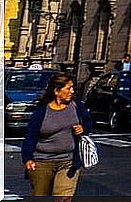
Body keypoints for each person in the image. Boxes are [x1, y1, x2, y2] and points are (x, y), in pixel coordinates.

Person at [21, 71, 94, 201]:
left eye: (73, 88)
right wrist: (27, 158)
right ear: (57, 91)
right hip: (42, 162)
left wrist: (83, 128)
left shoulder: (75, 105)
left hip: (68, 161)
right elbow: (30, 136)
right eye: (68, 88)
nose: (72, 91)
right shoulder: (42, 110)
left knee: (63, 198)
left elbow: (88, 122)